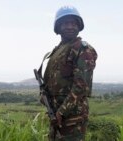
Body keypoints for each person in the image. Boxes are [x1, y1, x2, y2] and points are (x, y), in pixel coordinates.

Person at [41, 5, 97, 141]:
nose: (70, 27)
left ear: (79, 26)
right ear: (59, 27)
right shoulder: (56, 51)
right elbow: (51, 82)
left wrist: (61, 112)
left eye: (73, 23)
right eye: (66, 23)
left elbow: (80, 87)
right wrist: (43, 95)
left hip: (72, 117)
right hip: (56, 114)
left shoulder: (83, 49)